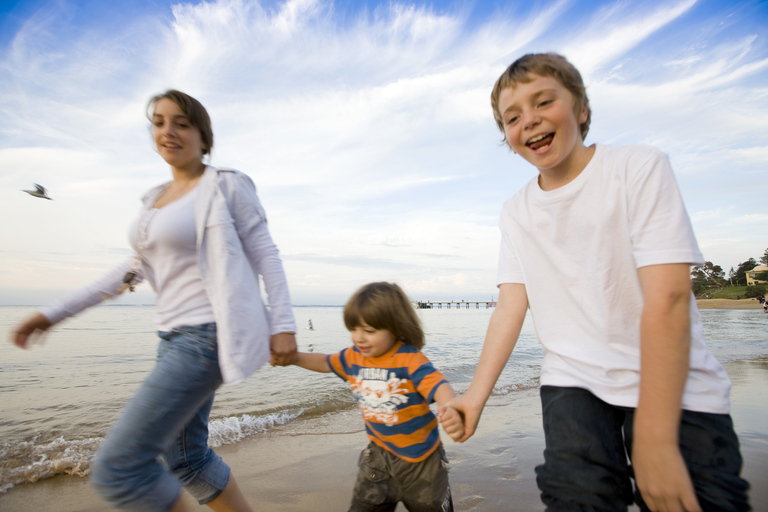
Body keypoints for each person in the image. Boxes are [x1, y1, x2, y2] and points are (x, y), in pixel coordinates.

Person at [447, 53, 750, 511]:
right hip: (574, 382)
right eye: (512, 117)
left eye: (543, 102)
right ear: (508, 139)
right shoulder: (516, 211)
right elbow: (511, 305)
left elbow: (668, 297)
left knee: (697, 497)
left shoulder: (637, 168)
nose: (529, 121)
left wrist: (655, 437)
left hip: (672, 376)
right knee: (577, 497)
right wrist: (475, 396)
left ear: (581, 109)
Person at [10, 90, 298, 512]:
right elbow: (127, 272)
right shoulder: (154, 201)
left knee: (118, 468)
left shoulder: (225, 186)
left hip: (207, 337)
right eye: (159, 122)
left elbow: (265, 253)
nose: (168, 130)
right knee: (185, 457)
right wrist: (54, 313)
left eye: (181, 122)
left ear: (204, 136)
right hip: (171, 339)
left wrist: (284, 325)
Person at [275, 282, 464, 512]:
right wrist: (293, 358)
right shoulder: (353, 358)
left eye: (369, 331)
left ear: (395, 327)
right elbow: (326, 362)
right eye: (353, 329)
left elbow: (438, 385)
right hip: (377, 460)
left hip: (423, 465)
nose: (359, 338)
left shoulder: (410, 360)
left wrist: (451, 406)